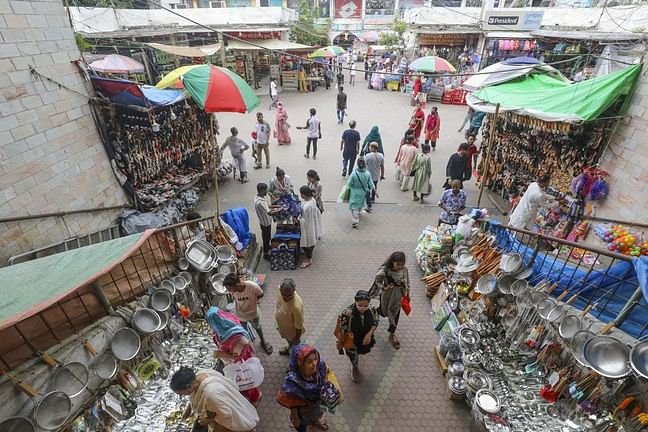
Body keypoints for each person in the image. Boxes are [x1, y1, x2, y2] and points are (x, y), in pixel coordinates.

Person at [169, 366, 259, 432]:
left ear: (188, 386)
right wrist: (189, 408)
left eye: (181, 393)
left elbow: (227, 415)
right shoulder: (200, 374)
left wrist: (206, 421)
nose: (181, 396)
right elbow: (193, 395)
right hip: (228, 403)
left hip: (235, 419)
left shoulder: (210, 394)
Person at [205, 306, 262, 406]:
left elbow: (236, 357)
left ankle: (255, 397)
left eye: (212, 323)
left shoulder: (237, 338)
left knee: (246, 380)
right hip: (231, 362)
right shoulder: (224, 326)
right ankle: (249, 395)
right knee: (242, 380)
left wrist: (220, 354)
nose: (211, 326)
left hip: (240, 362)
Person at [276, 344, 336, 432]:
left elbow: (326, 377)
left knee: (316, 416)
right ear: (300, 364)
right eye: (309, 361)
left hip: (316, 407)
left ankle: (315, 422)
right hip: (303, 414)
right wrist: (295, 418)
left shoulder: (320, 368)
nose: (315, 363)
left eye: (315, 359)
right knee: (301, 428)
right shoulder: (292, 384)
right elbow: (293, 404)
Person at [335, 290, 379, 383]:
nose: (362, 308)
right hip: (352, 341)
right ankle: (355, 366)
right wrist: (339, 343)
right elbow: (343, 330)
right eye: (359, 305)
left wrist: (369, 334)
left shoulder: (372, 309)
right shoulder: (347, 313)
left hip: (365, 338)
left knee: (362, 350)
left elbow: (375, 322)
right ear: (355, 302)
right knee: (353, 356)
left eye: (365, 306)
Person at [223, 273, 273, 355]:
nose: (229, 291)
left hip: (253, 313)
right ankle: (248, 346)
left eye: (229, 288)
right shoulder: (233, 291)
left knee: (257, 327)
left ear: (237, 285)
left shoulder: (252, 286)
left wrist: (253, 301)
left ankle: (263, 341)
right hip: (241, 314)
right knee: (244, 331)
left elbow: (261, 294)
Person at [369, 251, 410, 350]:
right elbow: (377, 281)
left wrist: (408, 294)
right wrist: (384, 287)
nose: (400, 266)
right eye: (397, 264)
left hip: (398, 296)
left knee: (395, 314)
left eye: (402, 264)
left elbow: (407, 282)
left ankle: (392, 333)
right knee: (383, 311)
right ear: (392, 262)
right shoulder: (384, 271)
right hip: (386, 296)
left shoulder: (404, 269)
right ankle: (372, 320)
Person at [276, 278, 305, 356]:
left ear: (294, 291)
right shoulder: (279, 289)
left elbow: (299, 327)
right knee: (289, 341)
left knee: (296, 347)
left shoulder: (296, 307)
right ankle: (289, 347)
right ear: (281, 290)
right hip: (283, 327)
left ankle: (295, 358)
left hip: (292, 332)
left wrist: (296, 339)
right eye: (284, 295)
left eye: (289, 295)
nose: (286, 298)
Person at [298, 185, 322, 268]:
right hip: (312, 223)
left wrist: (297, 220)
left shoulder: (307, 206)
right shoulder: (312, 200)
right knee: (311, 240)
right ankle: (308, 254)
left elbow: (304, 219)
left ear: (304, 194)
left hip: (307, 226)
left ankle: (308, 260)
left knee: (308, 243)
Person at [254, 182, 279, 260]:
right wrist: (280, 209)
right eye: (265, 190)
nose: (267, 192)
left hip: (263, 222)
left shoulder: (257, 198)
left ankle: (268, 246)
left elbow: (267, 206)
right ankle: (265, 253)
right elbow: (270, 213)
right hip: (265, 223)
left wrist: (276, 206)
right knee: (266, 238)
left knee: (266, 237)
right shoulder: (260, 202)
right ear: (261, 191)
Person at [347, 157, 374, 227]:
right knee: (360, 203)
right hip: (363, 192)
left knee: (354, 205)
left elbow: (349, 184)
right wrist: (374, 190)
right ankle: (358, 212)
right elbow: (370, 183)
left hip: (354, 192)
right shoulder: (367, 173)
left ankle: (355, 221)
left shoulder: (353, 174)